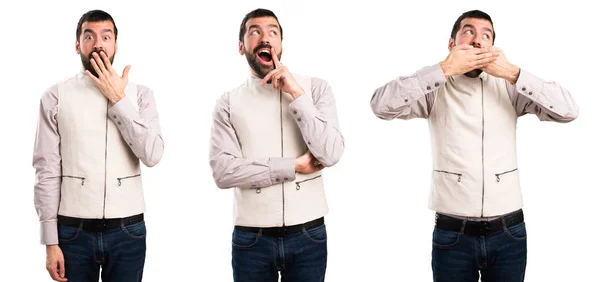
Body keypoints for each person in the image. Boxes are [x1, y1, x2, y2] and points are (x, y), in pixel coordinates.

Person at [370, 9, 578, 282]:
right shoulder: (434, 85)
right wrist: (444, 69)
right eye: (468, 32)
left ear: (493, 46)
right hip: (452, 234)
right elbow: (381, 106)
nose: (478, 40)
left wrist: (514, 73)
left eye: (486, 35)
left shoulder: (510, 85)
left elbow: (568, 111)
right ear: (451, 44)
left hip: (509, 232)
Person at [209, 8, 344, 282]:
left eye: (273, 32)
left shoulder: (315, 89)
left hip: (309, 234)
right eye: (254, 32)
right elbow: (223, 172)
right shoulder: (228, 102)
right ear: (241, 46)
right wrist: (292, 166)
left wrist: (296, 93)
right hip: (251, 237)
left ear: (281, 44)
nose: (265, 38)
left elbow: (331, 152)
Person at [32, 9, 164, 282]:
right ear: (78, 44)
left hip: (128, 230)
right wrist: (50, 240)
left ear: (116, 44)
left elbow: (152, 154)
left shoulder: (140, 95)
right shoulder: (55, 96)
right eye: (89, 36)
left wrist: (118, 99)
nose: (98, 43)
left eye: (106, 36)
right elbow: (46, 170)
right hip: (72, 232)